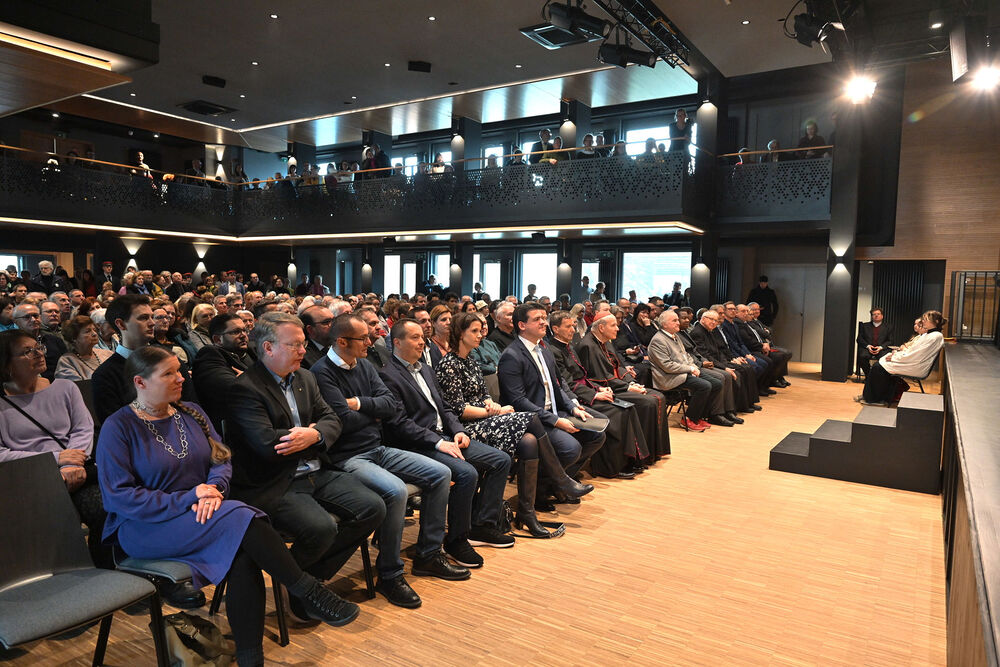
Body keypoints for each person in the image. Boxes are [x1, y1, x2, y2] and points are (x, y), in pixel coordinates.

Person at [99, 346, 360, 667]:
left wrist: (214, 490)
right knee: (242, 516)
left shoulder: (190, 411)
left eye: (179, 370)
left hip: (203, 513)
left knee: (242, 555)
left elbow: (221, 459)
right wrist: (192, 497)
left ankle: (252, 659)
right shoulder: (119, 427)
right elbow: (119, 497)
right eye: (169, 374)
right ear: (140, 382)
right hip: (146, 526)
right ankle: (308, 591)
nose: (181, 378)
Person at [222, 312, 385, 624]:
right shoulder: (246, 388)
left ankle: (305, 582)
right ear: (268, 348)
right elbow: (268, 444)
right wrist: (313, 434)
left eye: (302, 344)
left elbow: (332, 419)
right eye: (294, 345)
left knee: (373, 507)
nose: (302, 350)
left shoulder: (306, 378)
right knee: (321, 527)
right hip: (275, 480)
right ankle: (305, 591)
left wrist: (315, 434)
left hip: (315, 470)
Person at [312, 314, 466, 609]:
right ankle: (389, 574)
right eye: (363, 338)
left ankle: (428, 554)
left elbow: (390, 406)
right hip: (347, 457)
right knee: (395, 491)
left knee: (440, 473)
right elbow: (342, 421)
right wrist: (372, 412)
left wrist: (359, 404)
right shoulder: (322, 373)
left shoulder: (364, 365)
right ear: (342, 341)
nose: (370, 342)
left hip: (378, 448)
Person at [437, 312, 589, 536]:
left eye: (480, 330)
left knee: (529, 441)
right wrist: (495, 410)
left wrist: (491, 404)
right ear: (460, 334)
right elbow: (458, 410)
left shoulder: (470, 360)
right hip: (465, 428)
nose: (480, 335)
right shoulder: (449, 364)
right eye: (474, 331)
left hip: (485, 419)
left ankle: (527, 513)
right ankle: (560, 479)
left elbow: (483, 395)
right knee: (531, 417)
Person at [380, 319, 514, 563]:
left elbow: (446, 408)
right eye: (414, 337)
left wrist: (458, 431)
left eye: (422, 337)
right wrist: (438, 442)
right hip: (417, 444)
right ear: (397, 342)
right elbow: (400, 424)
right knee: (467, 474)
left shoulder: (425, 369)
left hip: (445, 436)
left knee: (501, 460)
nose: (422, 342)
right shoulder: (387, 375)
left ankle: (481, 525)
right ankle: (456, 540)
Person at [0, 329, 109, 569]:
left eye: (38, 347)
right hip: (29, 476)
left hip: (77, 469)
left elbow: (83, 429)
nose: (39, 353)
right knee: (51, 521)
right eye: (27, 352)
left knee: (104, 509)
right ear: (6, 364)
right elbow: (1, 453)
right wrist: (57, 458)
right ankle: (63, 577)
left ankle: (105, 571)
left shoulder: (64, 388)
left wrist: (71, 463)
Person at [497, 303, 603, 508]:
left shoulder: (544, 350)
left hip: (553, 411)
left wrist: (572, 407)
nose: (544, 322)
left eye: (544, 318)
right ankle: (540, 492)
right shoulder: (512, 356)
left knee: (596, 435)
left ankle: (555, 485)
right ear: (522, 325)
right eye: (537, 319)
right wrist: (555, 421)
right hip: (531, 420)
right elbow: (518, 401)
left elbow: (556, 387)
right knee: (570, 448)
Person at [548, 311, 650, 479]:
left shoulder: (568, 346)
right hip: (574, 398)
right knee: (617, 413)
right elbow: (568, 384)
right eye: (568, 327)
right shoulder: (553, 350)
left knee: (628, 408)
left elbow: (583, 377)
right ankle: (609, 467)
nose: (573, 330)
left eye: (573, 326)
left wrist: (599, 389)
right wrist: (594, 394)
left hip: (585, 391)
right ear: (555, 329)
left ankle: (630, 460)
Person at [575, 312, 671, 458]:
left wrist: (631, 382)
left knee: (659, 397)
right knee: (649, 402)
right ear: (601, 328)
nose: (618, 329)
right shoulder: (588, 346)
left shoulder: (605, 341)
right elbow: (600, 377)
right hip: (607, 389)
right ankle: (643, 455)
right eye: (613, 325)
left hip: (617, 384)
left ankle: (655, 451)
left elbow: (616, 366)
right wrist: (628, 387)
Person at [647, 310, 728, 430]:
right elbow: (667, 366)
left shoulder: (675, 336)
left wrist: (693, 366)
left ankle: (699, 416)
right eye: (674, 320)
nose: (678, 322)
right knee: (704, 386)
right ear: (664, 324)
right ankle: (689, 419)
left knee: (717, 384)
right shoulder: (658, 340)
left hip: (684, 372)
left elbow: (686, 355)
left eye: (677, 320)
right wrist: (690, 368)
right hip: (669, 377)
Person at [857, 310, 946, 406]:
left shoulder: (934, 336)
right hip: (913, 362)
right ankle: (871, 396)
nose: (923, 321)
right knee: (878, 365)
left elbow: (915, 355)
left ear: (936, 322)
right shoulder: (928, 335)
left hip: (916, 365)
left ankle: (875, 399)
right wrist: (896, 355)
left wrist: (894, 358)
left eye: (926, 319)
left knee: (878, 367)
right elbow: (913, 352)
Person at [191, 313, 255, 432]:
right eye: (236, 332)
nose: (243, 335)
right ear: (217, 339)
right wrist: (255, 379)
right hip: (234, 427)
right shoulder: (210, 355)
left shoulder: (251, 352)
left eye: (244, 330)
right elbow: (235, 390)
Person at [12, 302, 66, 382]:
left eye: (36, 316)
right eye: (27, 317)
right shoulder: (11, 344)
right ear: (15, 321)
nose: (33, 320)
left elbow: (66, 365)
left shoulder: (54, 340)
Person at [54, 315, 113, 381]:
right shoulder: (67, 361)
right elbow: (75, 386)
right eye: (87, 331)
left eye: (94, 330)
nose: (94, 334)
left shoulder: (108, 354)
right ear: (74, 337)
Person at [857, 307, 893, 376]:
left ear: (882, 316)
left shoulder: (888, 327)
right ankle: (868, 376)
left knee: (885, 358)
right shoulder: (864, 326)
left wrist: (881, 347)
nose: (876, 316)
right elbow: (859, 339)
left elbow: (890, 341)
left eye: (878, 314)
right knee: (862, 356)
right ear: (871, 316)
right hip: (868, 348)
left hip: (881, 349)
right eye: (874, 314)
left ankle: (878, 377)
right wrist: (868, 346)